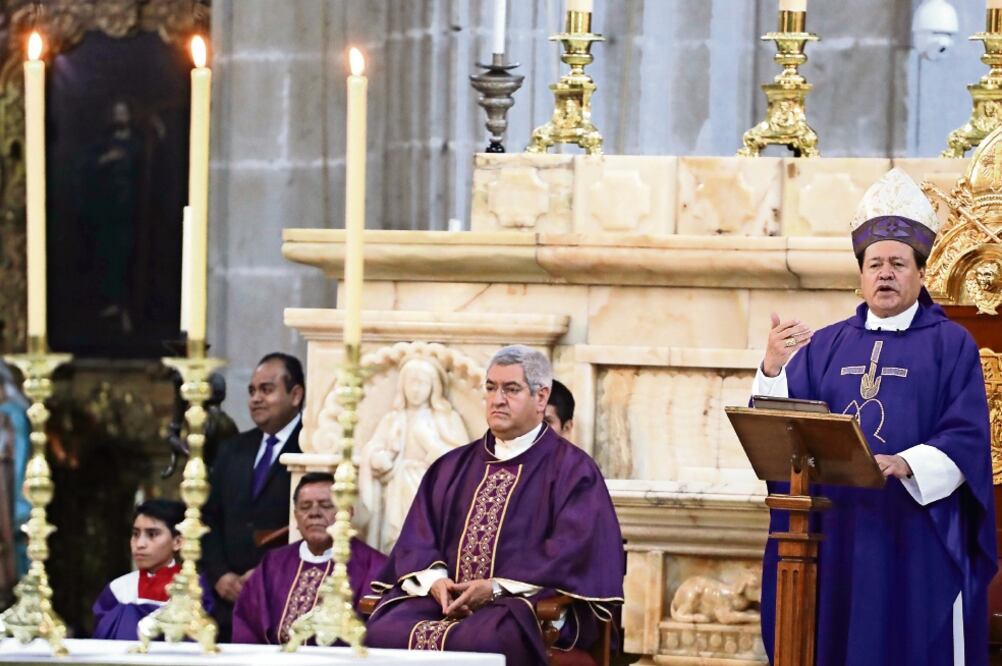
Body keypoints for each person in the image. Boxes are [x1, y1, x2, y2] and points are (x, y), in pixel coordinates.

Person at [752, 168, 997, 666]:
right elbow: (786, 429)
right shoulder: (825, 345)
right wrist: (773, 368)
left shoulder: (952, 345)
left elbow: (968, 434)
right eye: (875, 264)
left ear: (922, 274)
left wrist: (906, 463)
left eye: (898, 264)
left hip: (913, 530)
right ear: (860, 275)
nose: (885, 273)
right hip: (837, 526)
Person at [365, 345, 624, 664]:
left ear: (541, 398)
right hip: (444, 601)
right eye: (491, 388)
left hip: (520, 605)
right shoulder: (451, 466)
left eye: (511, 389)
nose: (497, 399)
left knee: (491, 639)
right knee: (381, 631)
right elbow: (419, 539)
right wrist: (436, 582)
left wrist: (495, 587)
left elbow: (573, 551)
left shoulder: (573, 470)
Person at [202, 352, 305, 641]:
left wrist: (264, 574)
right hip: (226, 601)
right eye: (252, 391)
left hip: (282, 597)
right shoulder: (233, 449)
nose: (256, 398)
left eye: (267, 390)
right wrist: (220, 574)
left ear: (295, 395)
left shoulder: (312, 448)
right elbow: (207, 518)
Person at [231, 472, 387, 644]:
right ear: (296, 516)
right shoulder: (273, 564)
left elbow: (379, 636)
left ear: (347, 513)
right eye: (305, 506)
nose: (314, 513)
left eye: (326, 505)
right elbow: (246, 626)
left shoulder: (375, 568)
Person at [359, 356, 468, 550]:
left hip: (431, 487)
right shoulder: (393, 419)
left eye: (422, 383)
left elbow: (462, 462)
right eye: (412, 383)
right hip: (397, 488)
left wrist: (430, 443)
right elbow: (373, 449)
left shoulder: (446, 419)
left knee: (427, 540)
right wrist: (379, 458)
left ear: (433, 386)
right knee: (395, 539)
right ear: (403, 385)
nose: (416, 390)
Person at [92, 499, 210, 639]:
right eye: (135, 534)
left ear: (177, 542)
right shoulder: (118, 589)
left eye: (152, 534)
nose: (140, 544)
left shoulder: (196, 588)